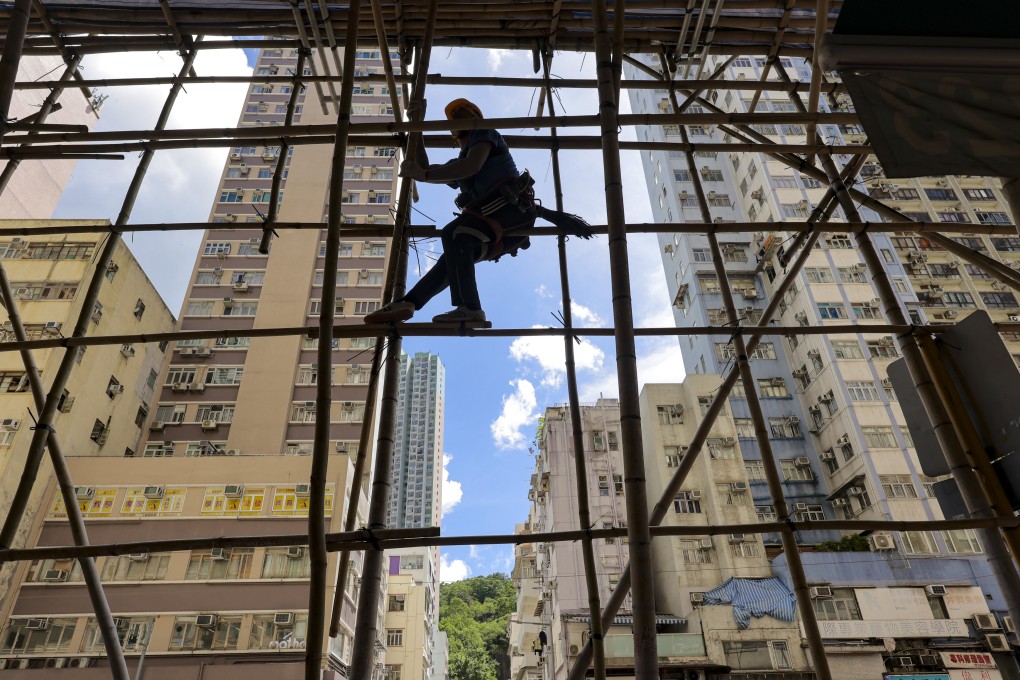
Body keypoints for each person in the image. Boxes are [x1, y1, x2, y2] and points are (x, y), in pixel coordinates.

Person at [365, 98, 593, 324]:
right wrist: (418, 125)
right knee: (454, 255)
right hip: (495, 226)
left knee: (453, 233)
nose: (457, 117)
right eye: (453, 117)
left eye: (463, 112)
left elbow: (468, 167)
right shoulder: (461, 159)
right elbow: (427, 168)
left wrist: (423, 175)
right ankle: (410, 303)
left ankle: (471, 308)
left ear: (475, 117)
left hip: (509, 213)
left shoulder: (485, 134)